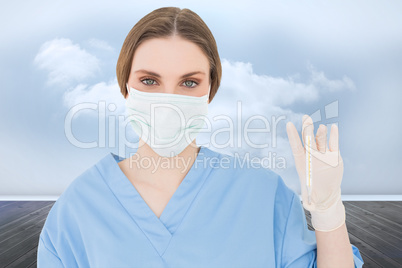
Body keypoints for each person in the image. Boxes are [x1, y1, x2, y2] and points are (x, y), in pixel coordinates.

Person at [37, 6, 364, 267]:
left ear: (210, 91)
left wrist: (328, 212)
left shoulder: (263, 195)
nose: (168, 99)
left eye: (189, 82)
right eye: (149, 81)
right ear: (125, 87)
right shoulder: (78, 210)